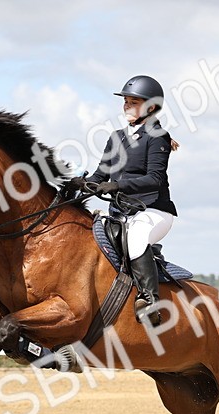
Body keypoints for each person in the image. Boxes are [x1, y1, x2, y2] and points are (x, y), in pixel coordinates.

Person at [68, 75, 177, 325]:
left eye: (133, 102)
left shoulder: (157, 136)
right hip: (120, 212)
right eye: (126, 102)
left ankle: (149, 301)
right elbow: (99, 175)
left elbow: (154, 179)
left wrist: (118, 185)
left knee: (137, 237)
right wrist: (80, 184)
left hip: (153, 211)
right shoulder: (116, 137)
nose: (127, 106)